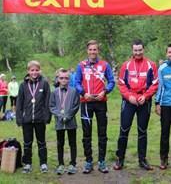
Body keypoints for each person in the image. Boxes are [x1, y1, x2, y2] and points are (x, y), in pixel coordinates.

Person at [113, 39, 158, 171]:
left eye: (140, 50)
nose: (138, 52)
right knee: (124, 130)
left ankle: (142, 160)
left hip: (144, 100)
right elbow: (121, 83)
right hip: (129, 101)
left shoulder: (151, 65)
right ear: (132, 51)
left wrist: (146, 96)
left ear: (143, 50)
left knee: (142, 131)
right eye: (135, 50)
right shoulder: (126, 65)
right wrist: (129, 96)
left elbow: (155, 83)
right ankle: (120, 160)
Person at [75, 40, 115, 174]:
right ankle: (88, 161)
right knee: (87, 133)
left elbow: (112, 81)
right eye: (90, 49)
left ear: (98, 51)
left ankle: (102, 161)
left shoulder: (104, 65)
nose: (93, 52)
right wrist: (83, 93)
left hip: (100, 102)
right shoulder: (81, 65)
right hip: (86, 102)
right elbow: (76, 82)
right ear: (87, 51)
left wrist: (105, 91)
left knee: (102, 133)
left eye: (95, 49)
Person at [16, 60, 51, 173]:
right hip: (27, 120)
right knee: (27, 142)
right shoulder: (23, 85)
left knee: (41, 142)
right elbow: (19, 103)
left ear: (39, 70)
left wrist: (47, 116)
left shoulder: (44, 83)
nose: (34, 72)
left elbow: (47, 101)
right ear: (28, 71)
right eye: (32, 70)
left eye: (36, 70)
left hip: (40, 119)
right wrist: (19, 118)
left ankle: (43, 163)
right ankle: (27, 164)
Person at [50, 69, 80, 175]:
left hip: (71, 121)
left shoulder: (74, 91)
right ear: (58, 79)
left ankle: (72, 164)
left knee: (72, 143)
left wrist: (68, 116)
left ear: (69, 79)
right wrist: (59, 115)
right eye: (61, 78)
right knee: (60, 143)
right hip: (59, 122)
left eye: (66, 78)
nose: (64, 80)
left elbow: (76, 105)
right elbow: (52, 106)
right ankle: (61, 164)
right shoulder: (54, 92)